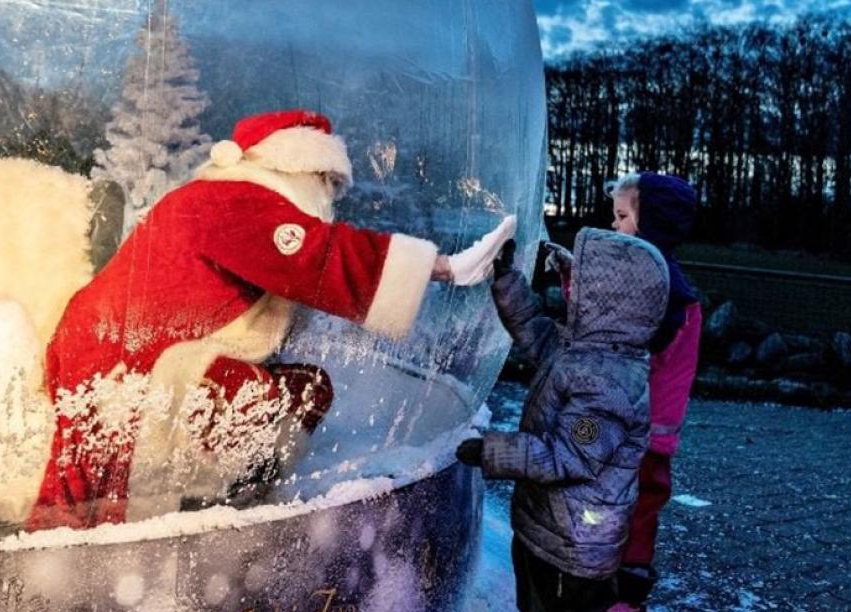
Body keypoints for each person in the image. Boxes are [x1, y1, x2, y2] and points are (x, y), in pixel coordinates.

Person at [26, 109, 515, 531]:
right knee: (110, 471)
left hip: (113, 344)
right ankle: (162, 527)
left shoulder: (221, 198)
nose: (329, 199)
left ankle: (211, 498)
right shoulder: (236, 202)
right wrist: (443, 267)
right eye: (325, 182)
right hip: (121, 354)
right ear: (295, 168)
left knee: (304, 388)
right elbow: (316, 256)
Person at [456, 226, 670, 612]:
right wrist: (507, 281)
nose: (569, 292)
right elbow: (534, 332)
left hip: (572, 551)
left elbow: (567, 456)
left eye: (581, 289)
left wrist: (491, 451)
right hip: (551, 532)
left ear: (607, 306)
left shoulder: (607, 390)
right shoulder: (584, 352)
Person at [596, 172, 702, 612]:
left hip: (643, 430)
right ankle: (609, 585)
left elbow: (630, 339)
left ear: (650, 224)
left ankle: (627, 600)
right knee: (624, 503)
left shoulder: (665, 290)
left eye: (622, 216)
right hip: (637, 424)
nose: (615, 225)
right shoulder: (659, 281)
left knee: (636, 509)